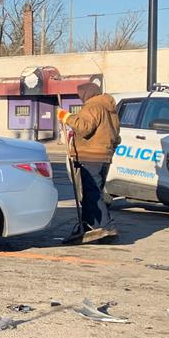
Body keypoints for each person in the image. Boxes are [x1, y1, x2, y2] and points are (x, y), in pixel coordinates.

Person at [57, 82, 121, 242]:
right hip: (103, 156)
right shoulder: (109, 107)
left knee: (92, 194)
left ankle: (107, 226)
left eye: (81, 96)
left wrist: (65, 117)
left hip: (90, 157)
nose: (81, 99)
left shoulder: (93, 106)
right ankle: (88, 226)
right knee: (90, 194)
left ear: (86, 94)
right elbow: (115, 135)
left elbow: (84, 127)